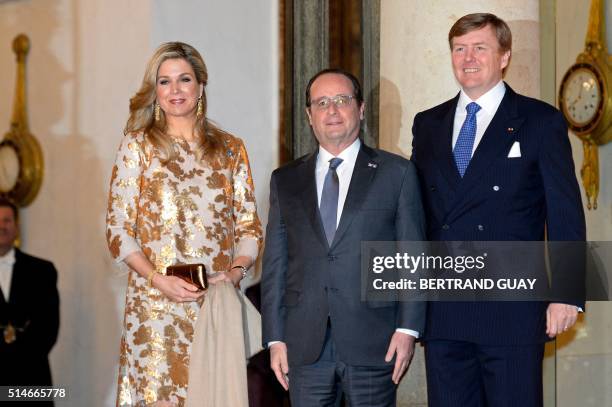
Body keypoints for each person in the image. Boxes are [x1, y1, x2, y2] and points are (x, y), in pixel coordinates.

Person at [411, 13, 586, 407]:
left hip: (512, 309)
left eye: (480, 48)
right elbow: (416, 214)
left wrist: (567, 293)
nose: (468, 58)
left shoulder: (540, 121)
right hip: (444, 311)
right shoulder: (428, 124)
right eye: (459, 49)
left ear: (504, 56)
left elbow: (565, 212)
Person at [106, 42, 262, 407]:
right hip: (155, 308)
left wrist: (236, 273)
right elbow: (118, 230)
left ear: (201, 86)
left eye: (184, 79)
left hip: (213, 304)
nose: (175, 90)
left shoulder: (230, 149)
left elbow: (250, 227)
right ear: (155, 91)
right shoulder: (137, 146)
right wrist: (157, 279)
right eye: (164, 81)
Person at [261, 68, 426, 406]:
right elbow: (275, 263)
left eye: (341, 100)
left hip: (375, 341)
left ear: (361, 109)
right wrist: (275, 338)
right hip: (304, 345)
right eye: (321, 103)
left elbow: (412, 257)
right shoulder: (285, 180)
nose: (332, 110)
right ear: (309, 115)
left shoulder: (397, 173)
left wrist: (408, 329)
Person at [0, 198, 59, 407]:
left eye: (7, 220)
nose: (2, 226)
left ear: (16, 226)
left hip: (33, 377)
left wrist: (15, 363)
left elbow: (48, 328)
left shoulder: (42, 271)